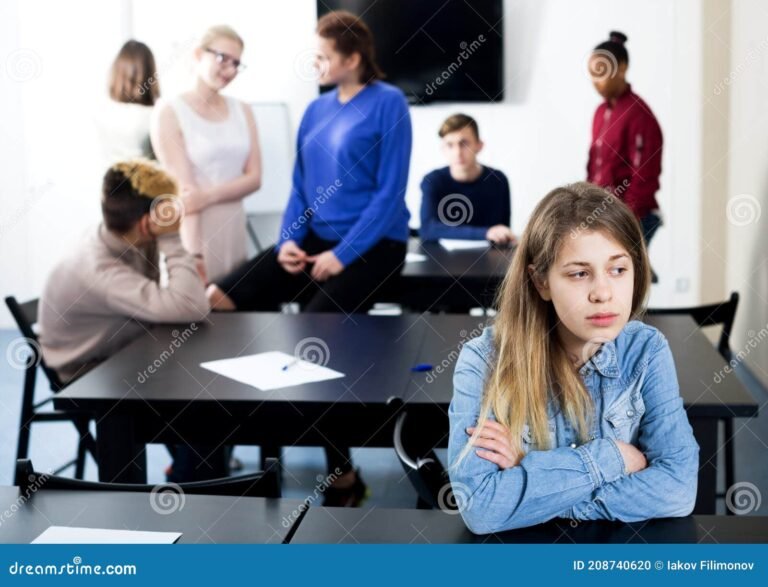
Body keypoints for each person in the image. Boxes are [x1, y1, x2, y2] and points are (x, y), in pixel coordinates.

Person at [208, 10, 413, 506]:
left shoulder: (390, 105)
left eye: (323, 56)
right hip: (314, 240)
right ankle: (217, 445)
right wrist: (287, 242)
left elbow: (389, 194)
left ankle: (341, 473)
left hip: (376, 245)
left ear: (353, 58)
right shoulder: (317, 111)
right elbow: (300, 185)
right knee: (221, 297)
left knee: (317, 328)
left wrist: (342, 255)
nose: (315, 63)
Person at [448, 182, 699, 533]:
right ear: (540, 282)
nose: (603, 293)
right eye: (579, 273)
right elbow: (482, 507)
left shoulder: (646, 350)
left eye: (618, 269)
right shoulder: (482, 362)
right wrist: (614, 457)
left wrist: (531, 472)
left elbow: (678, 489)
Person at [38, 159, 225, 482]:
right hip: (86, 370)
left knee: (205, 392)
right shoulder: (100, 270)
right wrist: (171, 239)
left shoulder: (124, 236)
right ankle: (195, 492)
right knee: (205, 409)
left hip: (124, 345)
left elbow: (177, 303)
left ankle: (191, 476)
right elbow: (193, 306)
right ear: (145, 223)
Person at [151, 25, 262, 284]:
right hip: (194, 234)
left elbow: (255, 178)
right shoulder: (169, 112)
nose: (231, 70)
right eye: (224, 59)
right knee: (196, 313)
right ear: (199, 54)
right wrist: (194, 256)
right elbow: (187, 196)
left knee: (235, 313)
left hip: (233, 230)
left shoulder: (243, 110)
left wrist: (207, 196)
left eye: (237, 64)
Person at [586, 31, 663, 281]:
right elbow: (594, 166)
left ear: (622, 68)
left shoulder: (638, 114)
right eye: (592, 72)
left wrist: (624, 220)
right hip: (604, 213)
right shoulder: (599, 112)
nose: (596, 80)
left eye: (602, 71)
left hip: (633, 216)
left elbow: (644, 176)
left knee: (624, 283)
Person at [419, 113, 514, 245]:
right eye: (450, 145)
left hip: (489, 259)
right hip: (441, 260)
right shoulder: (432, 181)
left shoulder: (498, 180)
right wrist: (486, 233)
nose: (457, 152)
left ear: (479, 145)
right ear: (443, 149)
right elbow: (428, 229)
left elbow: (502, 231)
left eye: (464, 143)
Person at [94, 40, 159, 165]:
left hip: (108, 182)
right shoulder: (155, 116)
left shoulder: (100, 112)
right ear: (150, 74)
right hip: (146, 182)